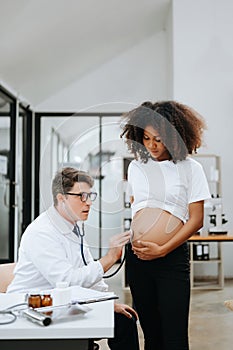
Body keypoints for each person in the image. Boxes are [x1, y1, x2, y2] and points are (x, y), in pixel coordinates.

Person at [7, 167, 140, 350]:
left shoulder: (74, 227)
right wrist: (109, 258)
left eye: (90, 196)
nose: (88, 203)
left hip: (63, 304)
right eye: (81, 196)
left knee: (125, 320)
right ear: (61, 198)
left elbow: (86, 268)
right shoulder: (41, 232)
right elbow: (68, 280)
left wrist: (109, 302)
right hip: (32, 310)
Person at [120, 100, 211, 350]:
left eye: (158, 138)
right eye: (146, 138)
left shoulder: (191, 169)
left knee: (175, 337)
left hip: (171, 259)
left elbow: (196, 219)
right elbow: (138, 208)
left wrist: (163, 249)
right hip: (138, 259)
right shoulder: (136, 167)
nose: (151, 145)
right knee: (151, 335)